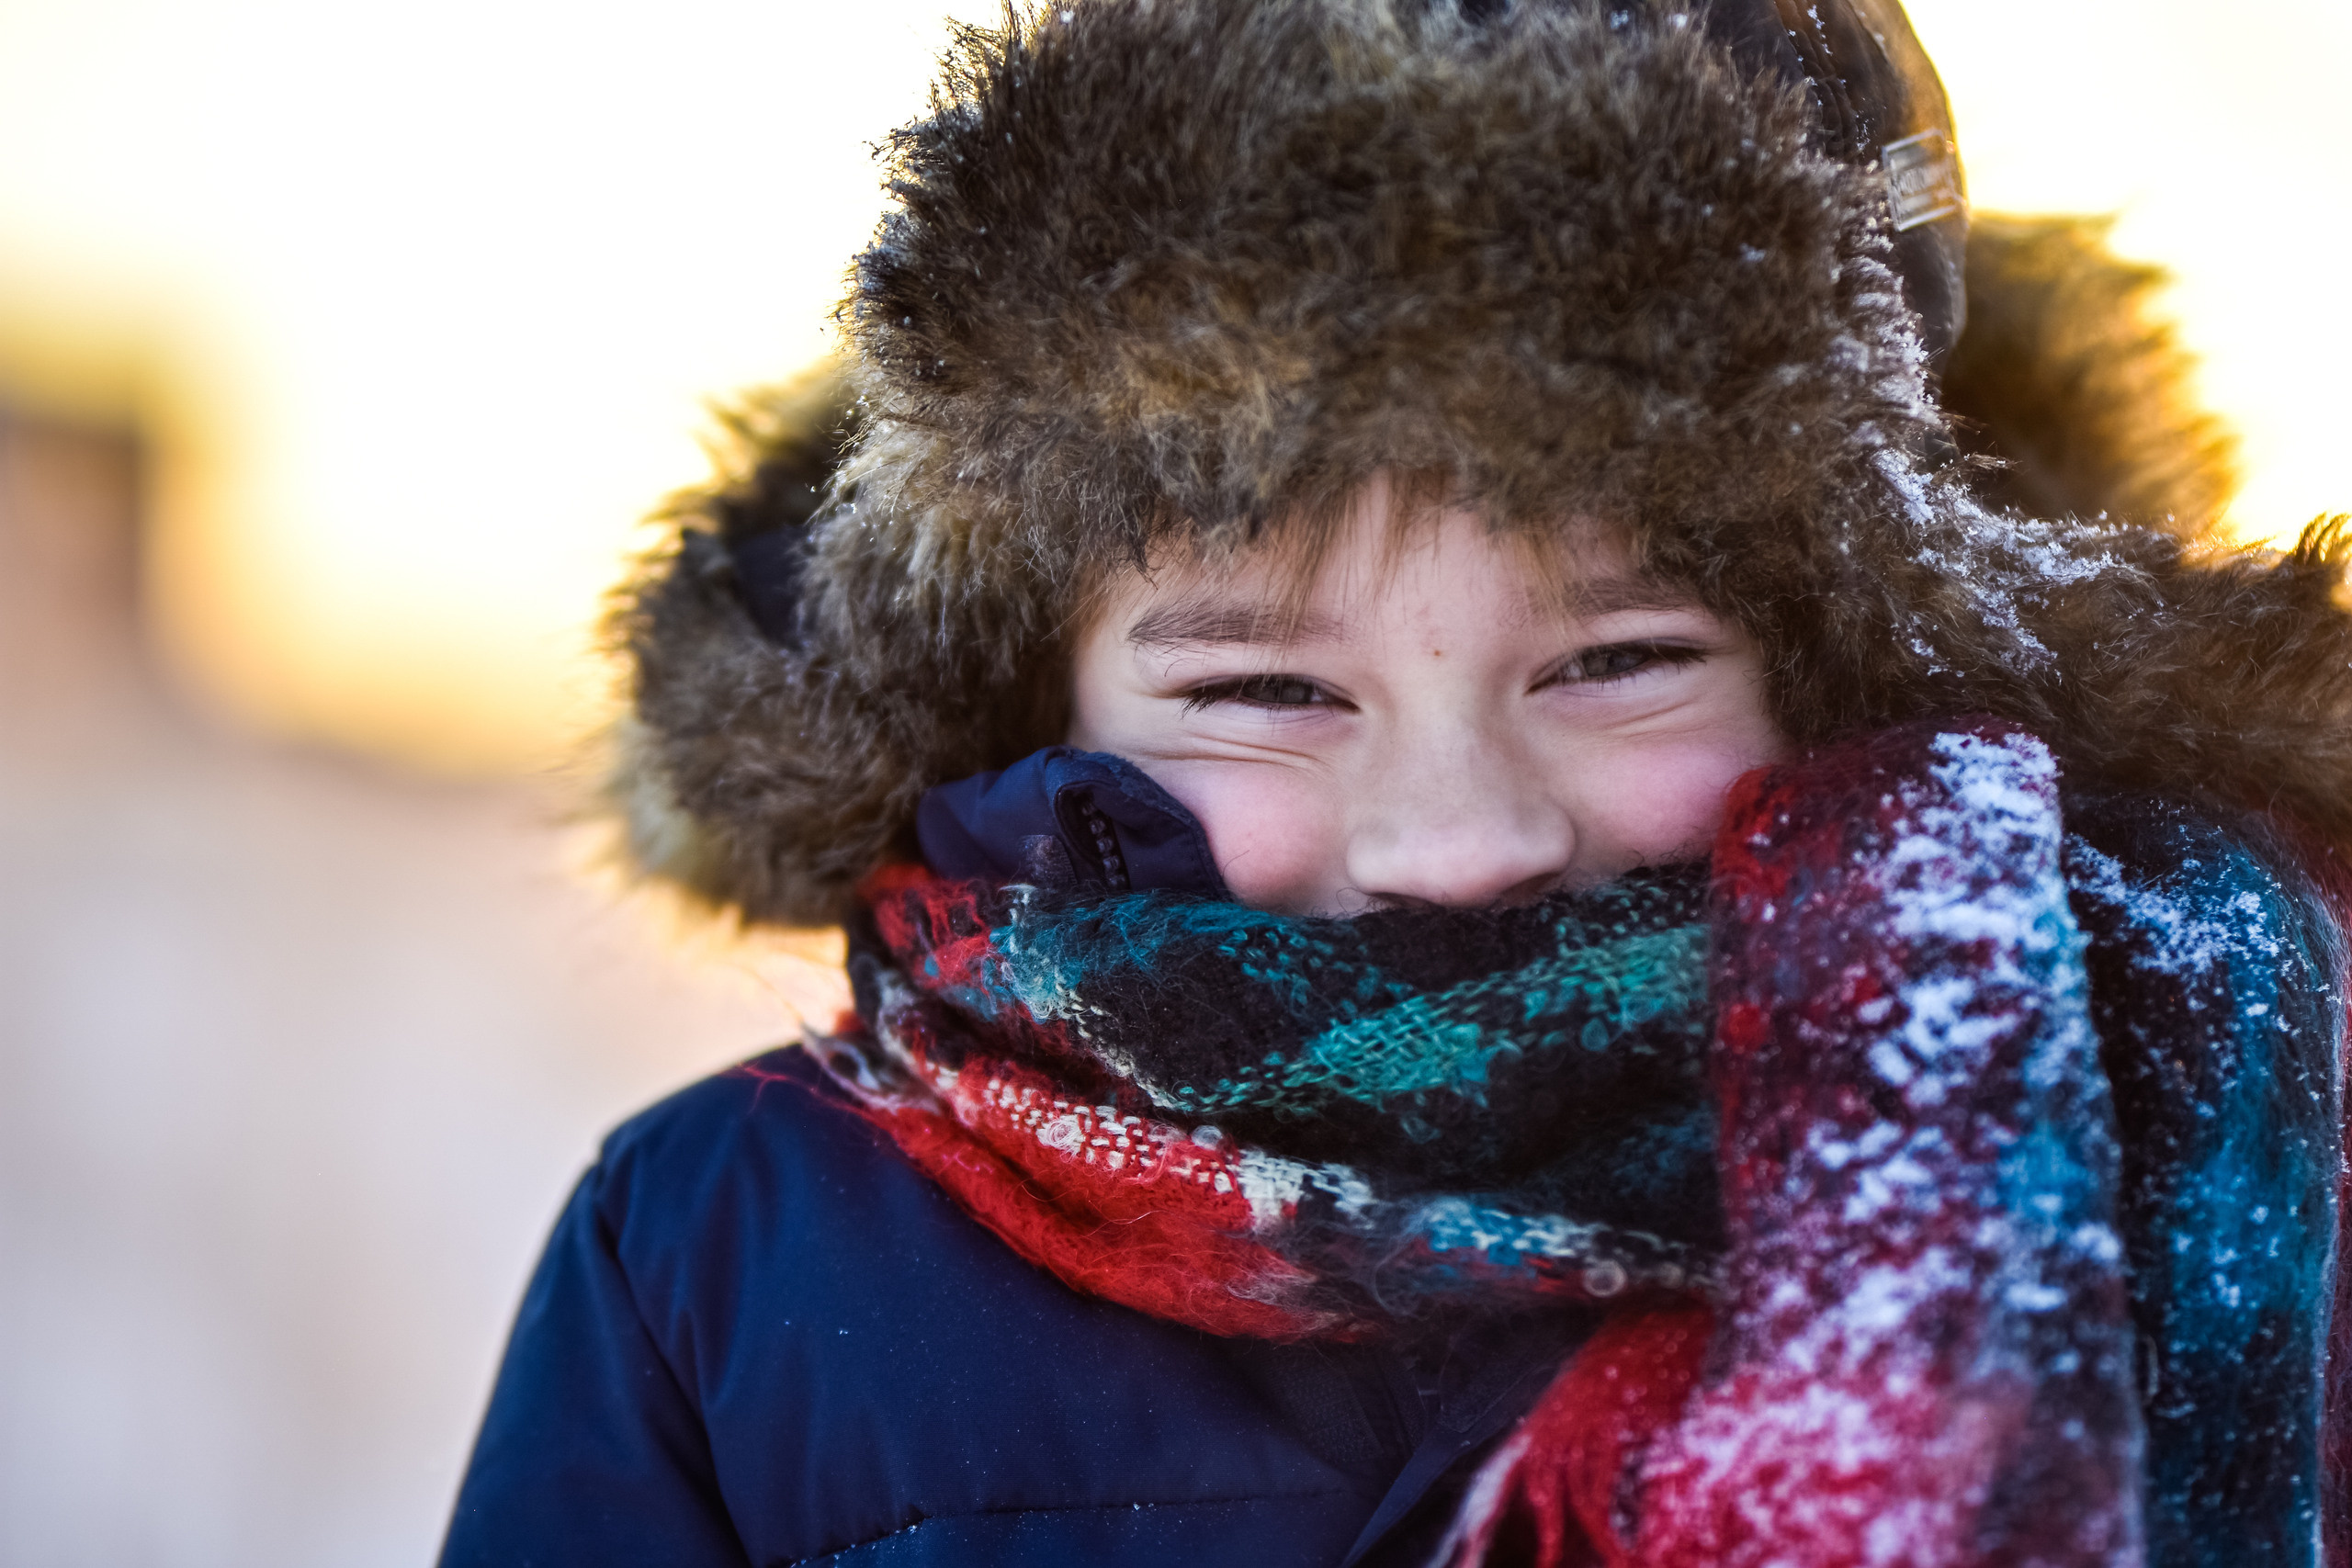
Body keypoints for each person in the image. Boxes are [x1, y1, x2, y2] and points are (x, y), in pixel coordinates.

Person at [441, 1, 2352, 1563]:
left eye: (1615, 662)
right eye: (1269, 689)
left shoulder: (2225, 1098)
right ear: (1034, 692)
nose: (1459, 842)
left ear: (1862, 653)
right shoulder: (731, 1247)